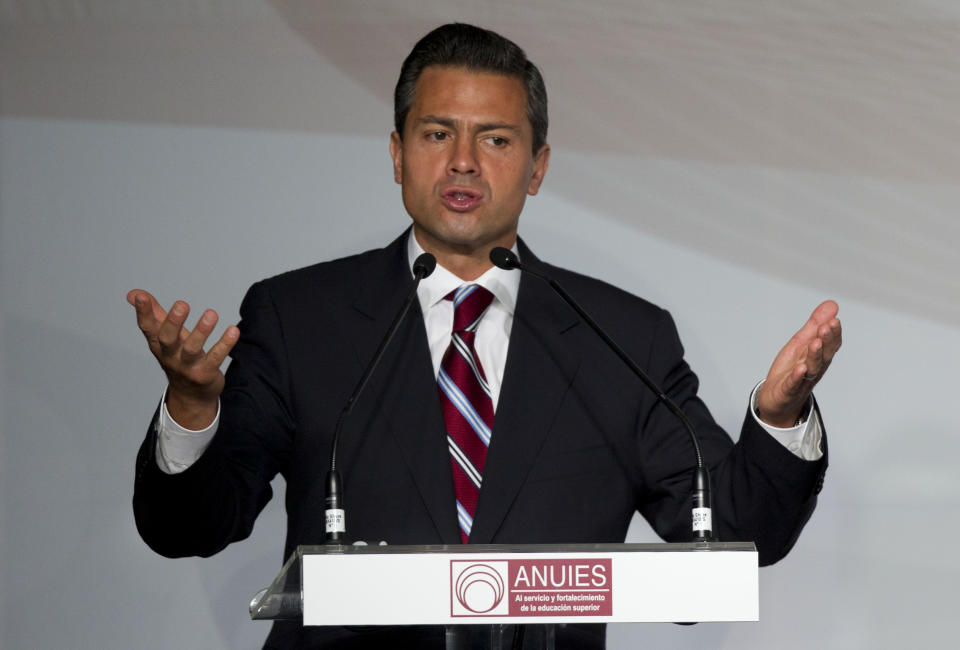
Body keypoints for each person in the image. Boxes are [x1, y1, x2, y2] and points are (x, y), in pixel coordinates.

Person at [129, 23, 840, 649]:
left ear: (538, 167)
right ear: (398, 154)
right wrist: (192, 410)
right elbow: (191, 528)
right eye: (438, 134)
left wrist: (778, 419)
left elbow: (735, 536)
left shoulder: (624, 338)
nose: (463, 161)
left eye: (495, 139)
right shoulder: (299, 318)